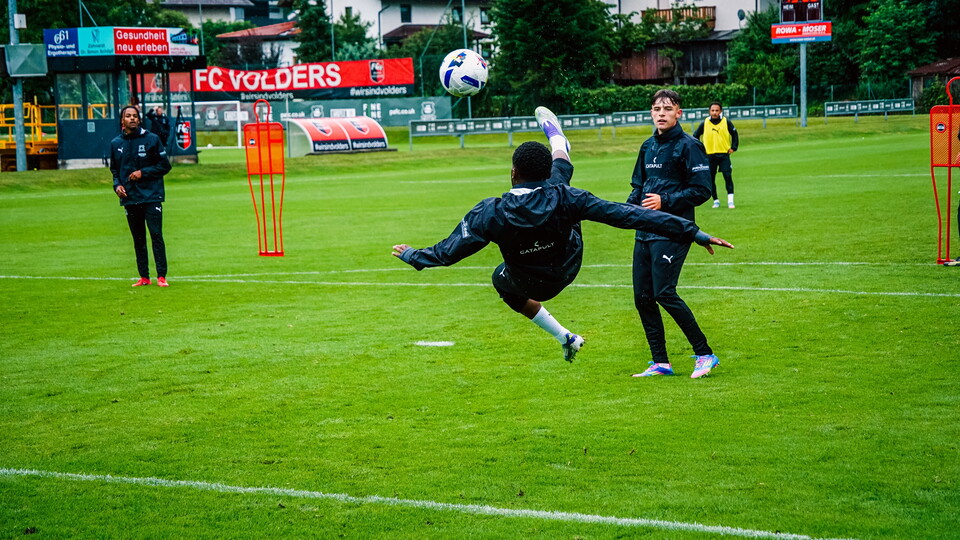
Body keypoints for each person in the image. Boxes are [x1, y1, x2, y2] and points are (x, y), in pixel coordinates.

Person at [392, 107, 733, 362]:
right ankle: (567, 338)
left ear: (512, 172)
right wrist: (692, 232)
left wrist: (413, 256)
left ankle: (562, 333)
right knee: (566, 195)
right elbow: (630, 215)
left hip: (525, 281)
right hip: (568, 266)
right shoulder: (566, 194)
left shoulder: (490, 212)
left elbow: (449, 252)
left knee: (499, 278)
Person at [629, 89, 720, 378]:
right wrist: (619, 210)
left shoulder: (689, 146)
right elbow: (637, 188)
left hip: (674, 230)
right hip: (645, 231)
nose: (661, 113)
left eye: (668, 109)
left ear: (679, 113)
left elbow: (702, 189)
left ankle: (705, 354)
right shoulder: (647, 146)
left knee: (664, 293)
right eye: (656, 109)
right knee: (643, 297)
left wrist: (665, 201)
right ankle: (660, 362)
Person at [110, 105, 173, 287]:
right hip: (130, 198)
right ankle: (144, 277)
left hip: (152, 195)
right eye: (128, 116)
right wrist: (117, 186)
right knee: (138, 238)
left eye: (134, 116)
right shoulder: (116, 143)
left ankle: (161, 276)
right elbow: (115, 171)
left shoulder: (151, 139)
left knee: (155, 235)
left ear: (139, 119)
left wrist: (143, 173)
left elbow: (164, 166)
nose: (131, 119)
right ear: (122, 120)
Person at [692, 101, 739, 209]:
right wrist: (700, 150)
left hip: (723, 155)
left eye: (717, 110)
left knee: (727, 176)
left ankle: (730, 201)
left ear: (720, 111)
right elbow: (695, 136)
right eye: (712, 110)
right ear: (709, 111)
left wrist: (734, 147)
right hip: (710, 156)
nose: (714, 113)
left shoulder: (726, 122)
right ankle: (716, 200)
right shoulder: (705, 123)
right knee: (711, 179)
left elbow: (734, 134)